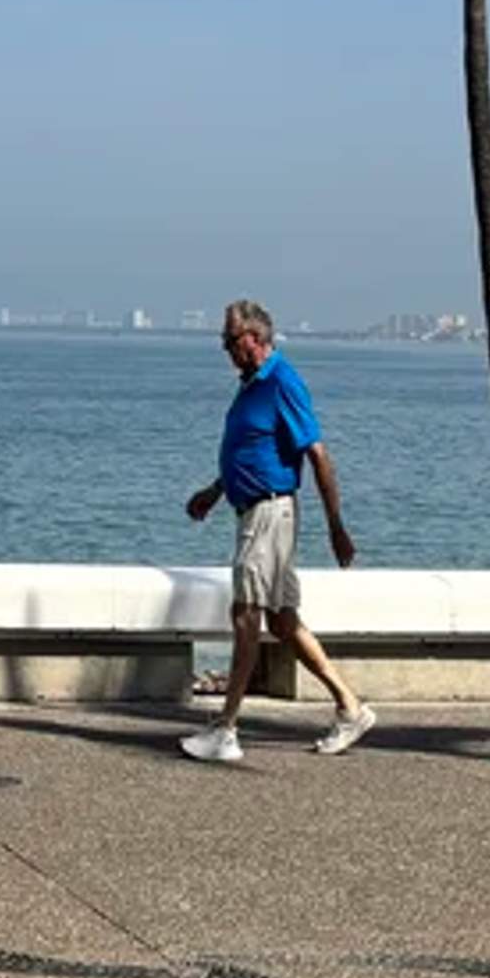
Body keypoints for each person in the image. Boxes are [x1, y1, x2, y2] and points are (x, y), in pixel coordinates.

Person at [179, 298, 377, 764]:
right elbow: (252, 451)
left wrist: (336, 527)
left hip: (270, 514)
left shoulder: (282, 382)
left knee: (246, 614)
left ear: (254, 339)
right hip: (255, 510)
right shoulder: (250, 387)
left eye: (230, 340)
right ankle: (350, 707)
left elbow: (318, 456)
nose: (225, 349)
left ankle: (226, 729)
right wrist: (215, 490)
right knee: (283, 621)